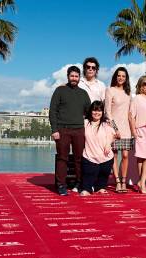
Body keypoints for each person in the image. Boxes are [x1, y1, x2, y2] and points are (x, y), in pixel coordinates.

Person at [49, 65, 91, 195]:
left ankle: (79, 183)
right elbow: (52, 111)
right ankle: (61, 185)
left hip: (79, 130)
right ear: (68, 76)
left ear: (79, 78)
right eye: (72, 76)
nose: (74, 78)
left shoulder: (83, 93)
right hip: (62, 130)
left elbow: (89, 112)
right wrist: (54, 129)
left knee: (80, 158)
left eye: (76, 76)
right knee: (63, 158)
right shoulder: (59, 91)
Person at [104, 67, 132, 193]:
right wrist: (115, 129)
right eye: (119, 75)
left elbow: (130, 113)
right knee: (114, 155)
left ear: (126, 79)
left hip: (126, 129)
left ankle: (124, 180)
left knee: (125, 155)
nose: (121, 78)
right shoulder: (110, 90)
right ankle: (118, 181)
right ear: (115, 77)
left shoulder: (129, 93)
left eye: (123, 76)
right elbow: (107, 112)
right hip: (113, 128)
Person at [80, 101, 116, 196]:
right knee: (88, 175)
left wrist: (108, 144)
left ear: (102, 112)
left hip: (106, 157)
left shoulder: (106, 124)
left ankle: (100, 187)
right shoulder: (85, 123)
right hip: (89, 156)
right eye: (94, 110)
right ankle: (87, 188)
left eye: (99, 110)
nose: (97, 112)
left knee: (104, 174)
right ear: (91, 111)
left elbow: (114, 135)